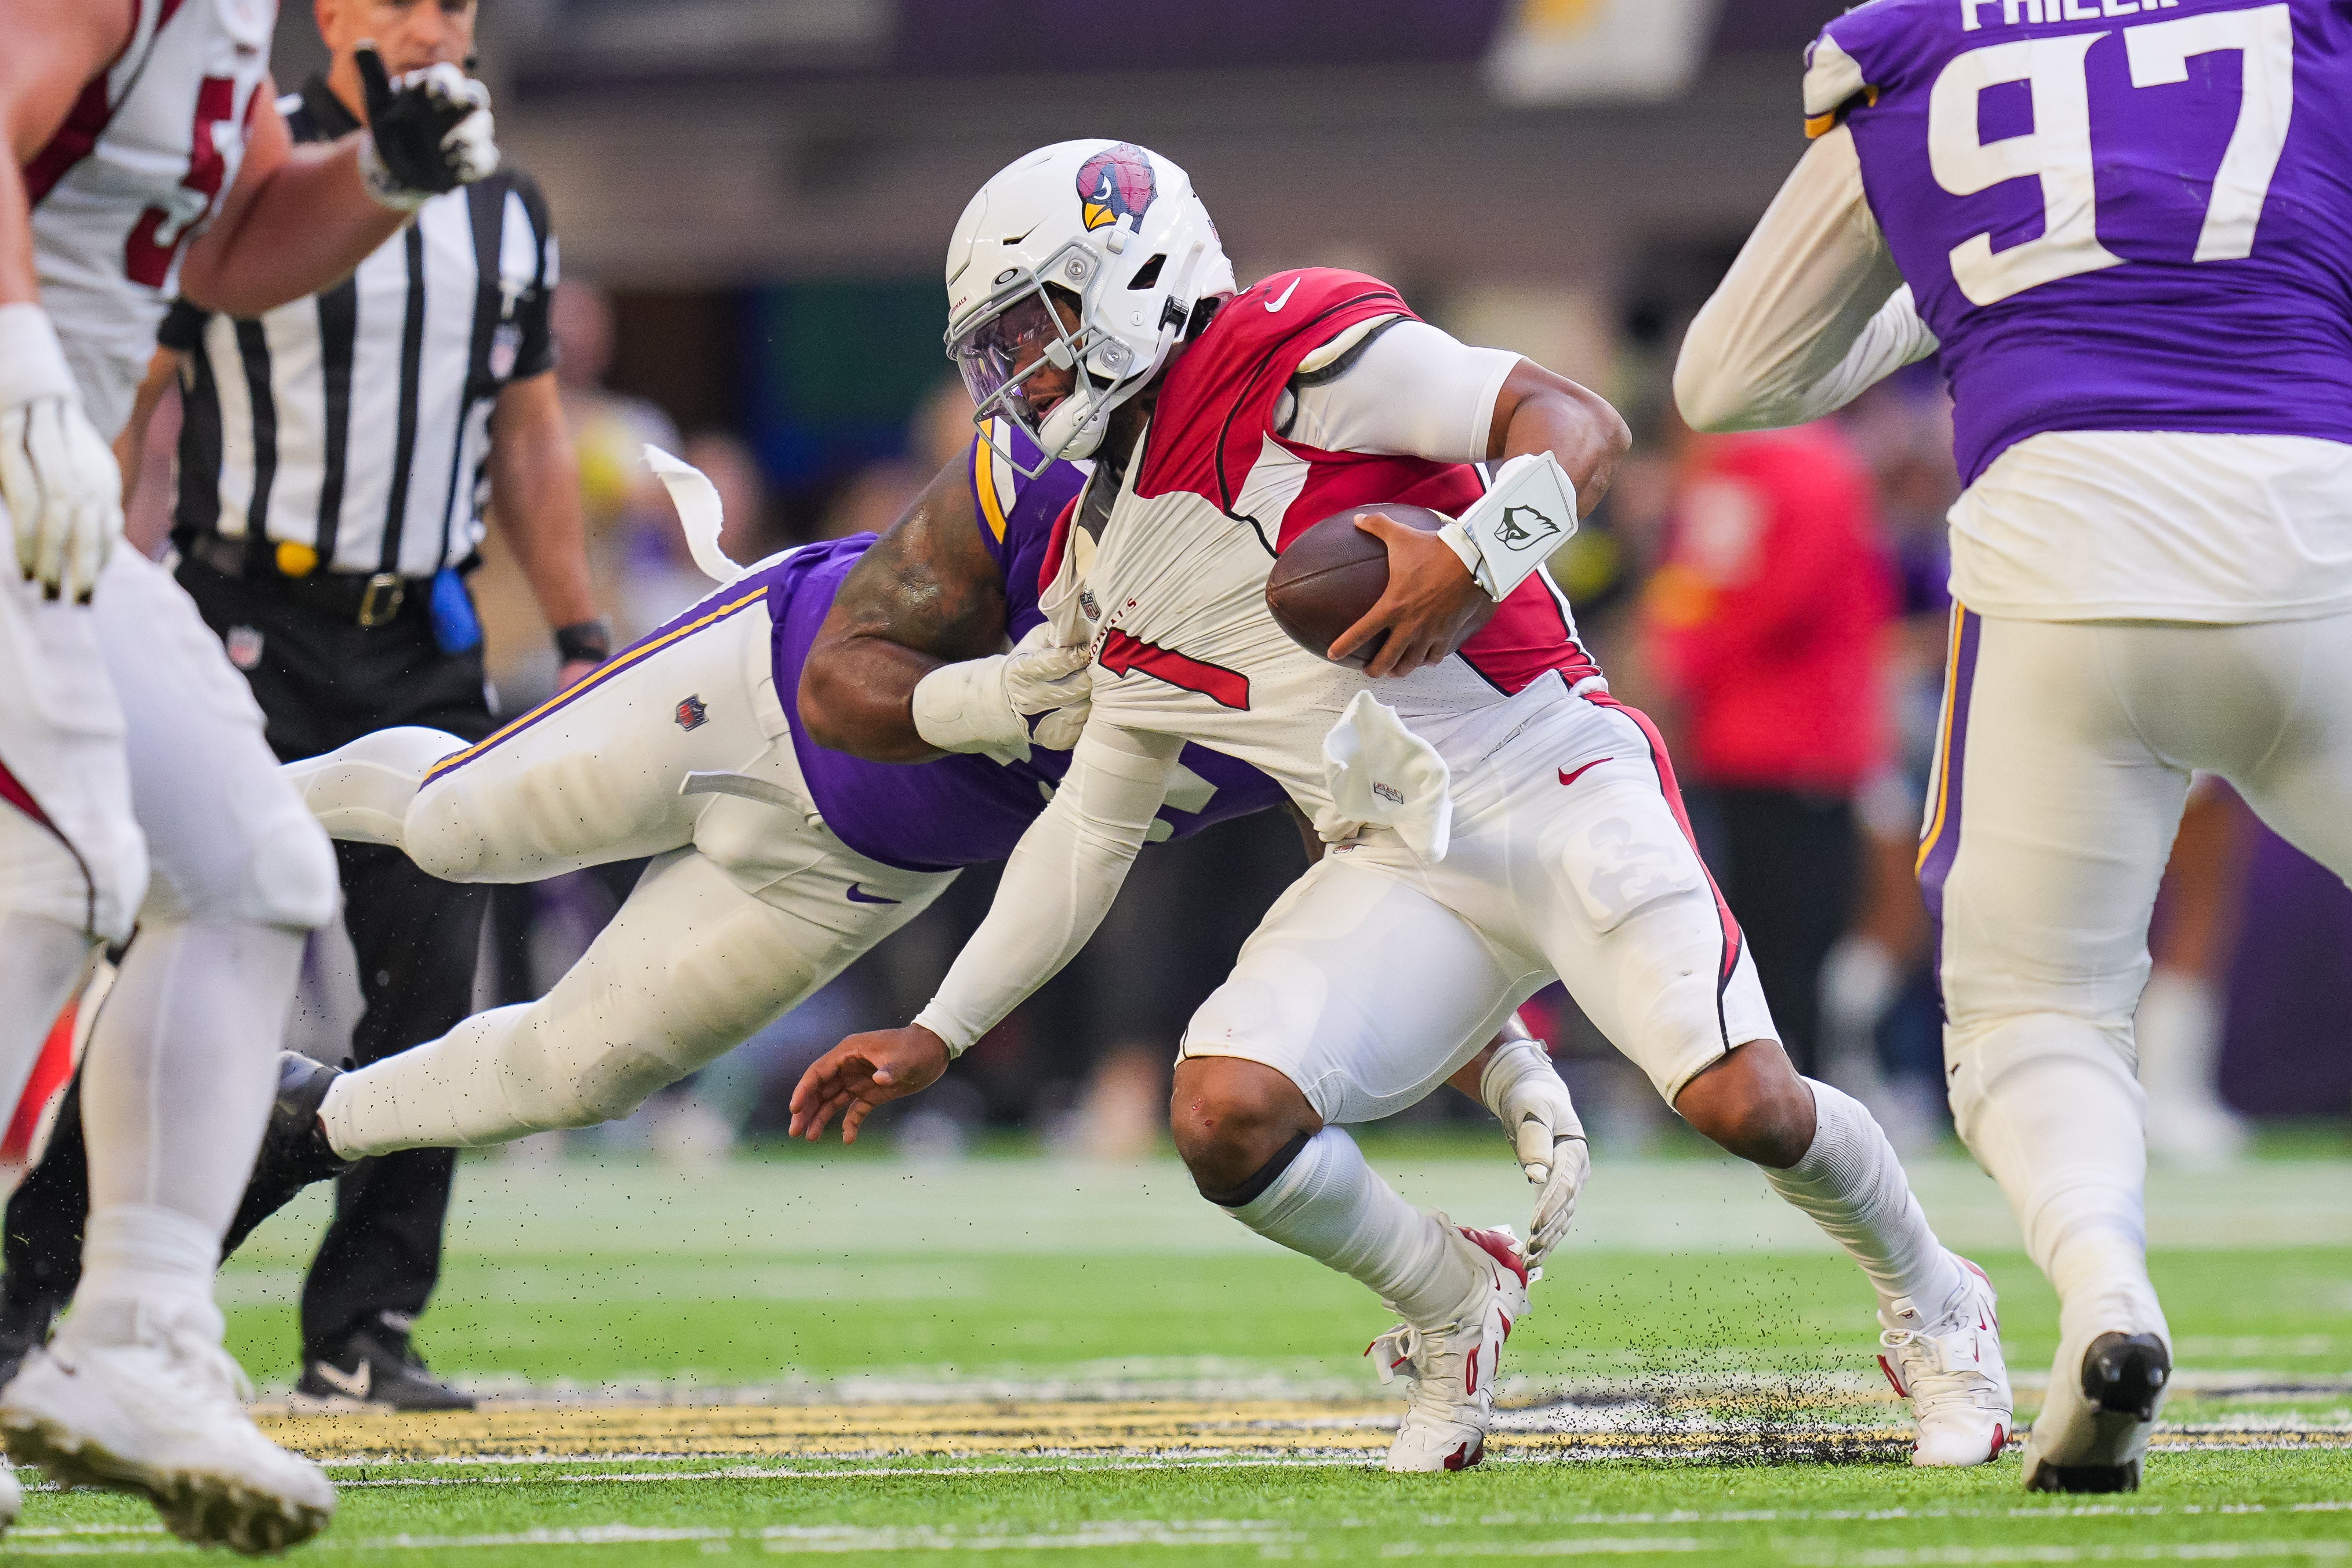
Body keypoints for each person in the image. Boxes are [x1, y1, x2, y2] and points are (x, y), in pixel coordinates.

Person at [787, 139, 2009, 1476]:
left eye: (1037, 328)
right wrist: (938, 1029)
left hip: (1554, 774)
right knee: (1225, 1113)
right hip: (1395, 863)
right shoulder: (1101, 559)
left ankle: (1938, 1300)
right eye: (998, 348)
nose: (1019, 374)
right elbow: (1088, 830)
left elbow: (1573, 426)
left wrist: (1467, 561)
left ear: (1129, 270)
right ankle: (1453, 1302)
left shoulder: (1293, 344)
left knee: (1746, 1105)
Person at [191, 427, 1590, 1312]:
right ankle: (201, 797)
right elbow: (850, 684)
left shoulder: (1335, 690)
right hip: (756, 691)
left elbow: (1371, 892)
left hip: (867, 863)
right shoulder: (1052, 468)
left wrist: (1508, 1054)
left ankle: (309, 1119)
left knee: (585, 1067)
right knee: (451, 827)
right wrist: (1011, 697)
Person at [1673, 0, 2352, 1493]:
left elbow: (1719, 384)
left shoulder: (1913, 45)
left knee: (2027, 1016)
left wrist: (1961, 287)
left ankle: (2105, 1292)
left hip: (2056, 551)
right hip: (2315, 527)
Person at [0, 0, 602, 1415]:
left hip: (417, 626)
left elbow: (517, 421)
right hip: (221, 596)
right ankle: (42, 1296)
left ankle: (275, 1330)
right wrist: (49, 445)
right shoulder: (154, 40)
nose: (433, 25)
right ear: (336, 16)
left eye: (454, 3)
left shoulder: (492, 201)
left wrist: (579, 633)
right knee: (97, 909)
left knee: (366, 948)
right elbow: (143, 353)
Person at [1644, 419, 1895, 1078]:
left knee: (1747, 925)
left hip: (1729, 733)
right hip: (1805, 734)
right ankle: (1799, 1086)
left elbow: (1688, 593)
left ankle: (1750, 1079)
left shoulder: (1719, 470)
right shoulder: (1821, 472)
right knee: (1808, 932)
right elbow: (1791, 596)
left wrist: (1684, 665)